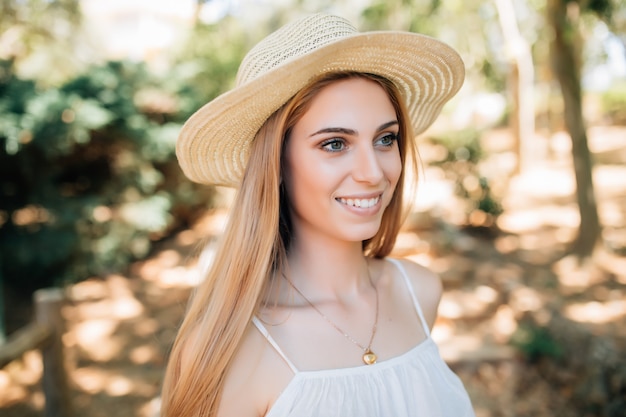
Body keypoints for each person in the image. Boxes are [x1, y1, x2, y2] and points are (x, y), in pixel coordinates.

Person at [161, 12, 474, 417]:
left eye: (385, 138)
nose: (373, 172)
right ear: (275, 164)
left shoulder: (419, 292)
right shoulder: (233, 350)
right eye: (334, 144)